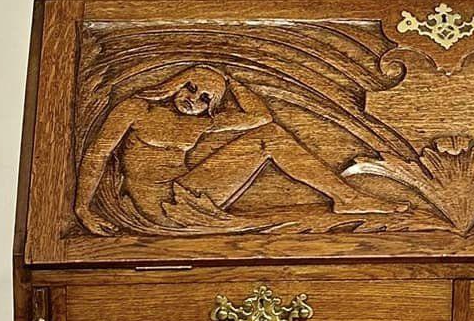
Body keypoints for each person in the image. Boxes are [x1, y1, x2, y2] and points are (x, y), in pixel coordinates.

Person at [74, 65, 393, 232]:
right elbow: (96, 155)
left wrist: (231, 81)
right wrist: (82, 209)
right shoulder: (135, 109)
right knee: (271, 136)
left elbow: (261, 117)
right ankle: (347, 197)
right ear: (177, 81)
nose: (193, 99)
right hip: (161, 206)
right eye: (191, 87)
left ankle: (347, 198)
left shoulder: (201, 123)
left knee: (272, 135)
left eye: (205, 99)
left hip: (186, 192)